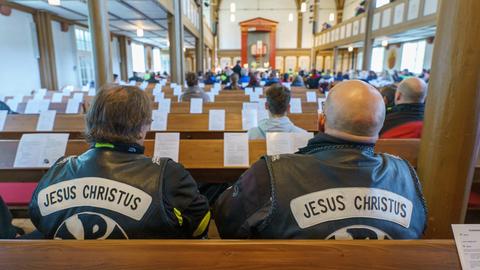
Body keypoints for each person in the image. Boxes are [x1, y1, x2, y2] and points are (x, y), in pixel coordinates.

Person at [215, 80, 427, 239]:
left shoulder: (270, 174)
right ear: (380, 128)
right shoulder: (407, 176)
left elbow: (227, 220)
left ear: (321, 121)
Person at [28, 85, 211, 239]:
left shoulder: (58, 171)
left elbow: (38, 219)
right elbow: (200, 225)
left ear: (91, 122)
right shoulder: (167, 175)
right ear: (141, 127)